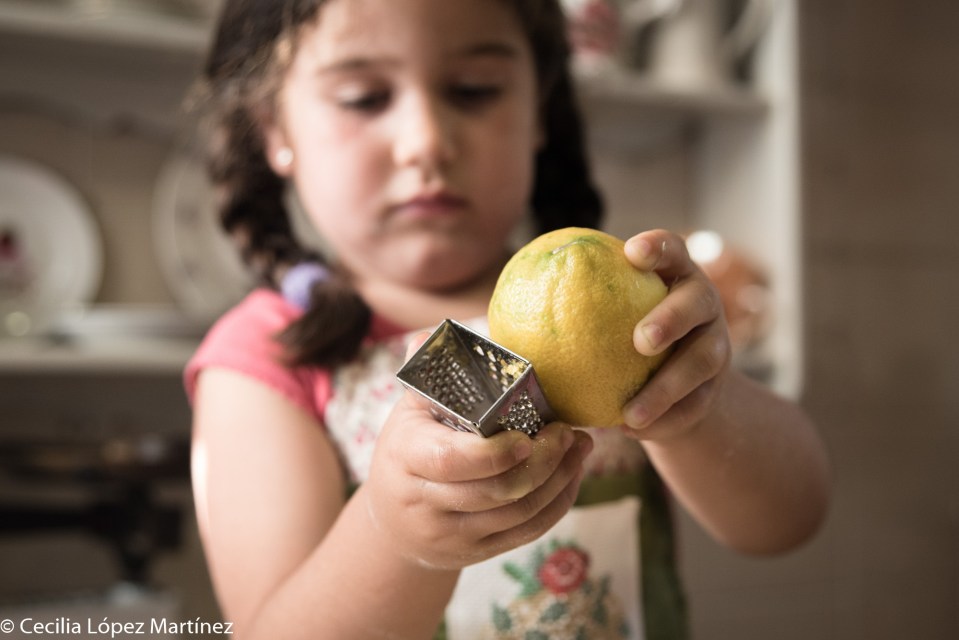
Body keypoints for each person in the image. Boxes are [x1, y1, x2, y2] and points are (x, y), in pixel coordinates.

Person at [184, 0, 830, 638]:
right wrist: (391, 532)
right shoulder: (264, 356)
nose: (426, 142)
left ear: (539, 111)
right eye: (362, 97)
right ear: (274, 130)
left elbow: (789, 519)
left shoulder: (627, 310)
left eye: (474, 89)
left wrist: (700, 406)